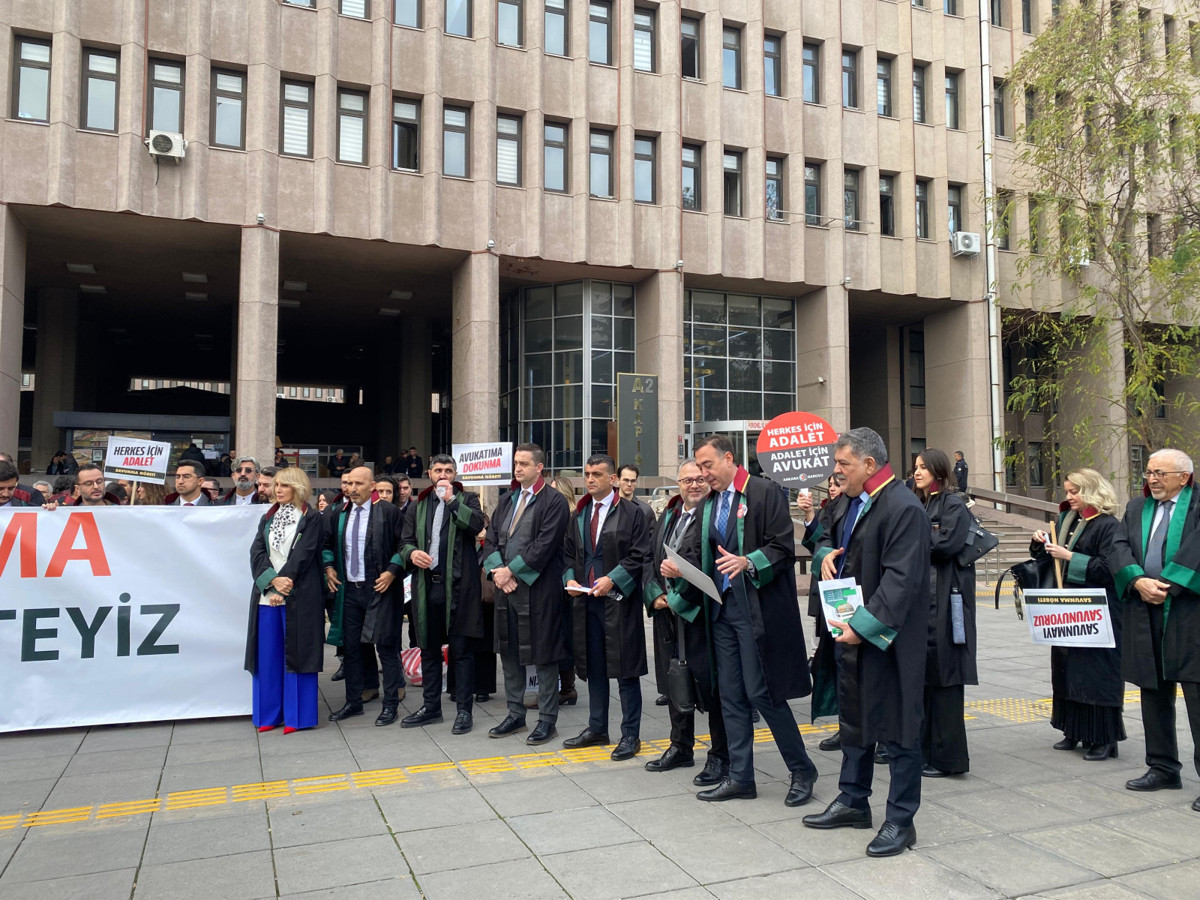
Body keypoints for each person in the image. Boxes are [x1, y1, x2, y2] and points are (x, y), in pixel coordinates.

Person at [802, 427, 929, 857]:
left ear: (869, 464)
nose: (836, 471)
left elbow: (900, 580)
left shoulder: (903, 507)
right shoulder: (849, 502)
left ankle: (901, 819)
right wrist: (824, 556)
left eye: (843, 464)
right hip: (849, 631)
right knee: (854, 718)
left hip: (889, 639)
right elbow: (823, 537)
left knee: (899, 727)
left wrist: (865, 626)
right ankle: (853, 800)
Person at [675, 434, 817, 806]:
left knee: (762, 693)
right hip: (721, 611)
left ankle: (802, 769)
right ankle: (741, 777)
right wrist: (678, 568)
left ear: (729, 458)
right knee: (730, 694)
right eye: (698, 467)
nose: (703, 474)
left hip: (756, 611)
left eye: (707, 465)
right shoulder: (709, 503)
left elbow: (782, 547)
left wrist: (748, 561)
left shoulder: (763, 492)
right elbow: (699, 550)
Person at [1110, 448, 1200, 810]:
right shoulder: (1137, 508)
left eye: (1160, 473)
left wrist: (1167, 584)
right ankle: (1162, 768)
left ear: (1184, 477)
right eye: (1149, 472)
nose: (1152, 479)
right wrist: (1137, 580)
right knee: (1153, 691)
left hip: (1188, 613)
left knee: (1197, 696)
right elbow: (1118, 547)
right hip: (1145, 610)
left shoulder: (1197, 506)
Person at [643, 459, 730, 784]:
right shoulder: (670, 515)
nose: (693, 485)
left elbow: (713, 568)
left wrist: (679, 599)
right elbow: (650, 559)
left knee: (711, 687)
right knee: (674, 680)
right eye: (686, 480)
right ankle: (680, 746)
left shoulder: (714, 517)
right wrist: (655, 595)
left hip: (702, 616)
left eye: (699, 479)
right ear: (678, 484)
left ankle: (720, 755)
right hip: (668, 616)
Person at [1031, 467, 1125, 760]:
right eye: (1067, 491)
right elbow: (1047, 559)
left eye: (1075, 491)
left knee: (1097, 671)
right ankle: (1072, 729)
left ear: (1092, 491)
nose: (1069, 496)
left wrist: (1070, 556)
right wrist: (1040, 542)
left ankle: (1103, 738)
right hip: (1069, 605)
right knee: (1065, 668)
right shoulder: (1065, 519)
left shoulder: (1108, 525)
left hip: (1098, 609)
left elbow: (1110, 568)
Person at [562, 454, 652, 760]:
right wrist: (569, 578)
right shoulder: (579, 513)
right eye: (587, 473)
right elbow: (568, 553)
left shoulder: (632, 513)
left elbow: (640, 554)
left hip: (619, 603)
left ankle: (630, 735)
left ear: (612, 479)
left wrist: (613, 579)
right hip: (586, 602)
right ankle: (597, 728)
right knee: (594, 667)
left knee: (626, 670)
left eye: (597, 474)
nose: (590, 479)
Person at [481, 443, 570, 745]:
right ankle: (515, 714)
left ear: (539, 467)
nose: (517, 468)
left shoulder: (554, 502)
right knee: (509, 653)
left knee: (544, 655)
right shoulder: (507, 499)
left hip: (540, 591)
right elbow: (491, 539)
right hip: (507, 592)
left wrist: (512, 571)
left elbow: (545, 545)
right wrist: (497, 572)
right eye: (516, 463)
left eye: (524, 464)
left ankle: (547, 720)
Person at [398, 455, 486, 734]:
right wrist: (412, 553)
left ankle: (464, 711)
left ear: (455, 474)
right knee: (429, 649)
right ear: (429, 473)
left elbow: (476, 525)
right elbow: (404, 542)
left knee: (461, 651)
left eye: (448, 470)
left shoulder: (467, 499)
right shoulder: (419, 504)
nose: (443, 475)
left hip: (459, 588)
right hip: (427, 586)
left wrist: (451, 501)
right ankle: (431, 707)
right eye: (438, 470)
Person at [911, 448, 977, 777]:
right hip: (924, 603)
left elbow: (945, 545)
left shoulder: (953, 503)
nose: (917, 472)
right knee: (925, 680)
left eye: (924, 467)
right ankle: (924, 751)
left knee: (946, 679)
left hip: (948, 601)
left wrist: (919, 537)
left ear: (938, 471)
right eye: (915, 467)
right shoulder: (920, 502)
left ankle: (948, 758)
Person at [323, 466, 406, 725]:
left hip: (380, 589)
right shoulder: (338, 513)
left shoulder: (389, 512)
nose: (352, 488)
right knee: (352, 649)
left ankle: (390, 704)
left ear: (372, 486)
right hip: (349, 590)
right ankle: (353, 702)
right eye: (349, 483)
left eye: (358, 484)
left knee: (387, 648)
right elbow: (326, 543)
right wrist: (328, 567)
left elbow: (404, 545)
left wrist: (392, 571)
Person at [246, 468, 325, 734]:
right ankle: (268, 715)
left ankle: (297, 717)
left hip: (299, 595)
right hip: (267, 596)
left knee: (299, 654)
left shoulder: (311, 518)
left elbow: (304, 554)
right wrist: (272, 581)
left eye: (284, 485)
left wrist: (284, 585)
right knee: (267, 656)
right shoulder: (267, 517)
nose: (277, 490)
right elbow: (257, 552)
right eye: (276, 485)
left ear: (298, 488)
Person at [799, 474, 847, 752]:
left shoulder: (857, 507)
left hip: (847, 594)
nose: (832, 487)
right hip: (830, 595)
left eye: (837, 482)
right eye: (830, 483)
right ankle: (846, 725)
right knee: (833, 662)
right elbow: (817, 543)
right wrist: (809, 515)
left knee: (849, 664)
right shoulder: (830, 509)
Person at [550, 475, 579, 706]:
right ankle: (565, 687)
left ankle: (567, 687)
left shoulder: (571, 518)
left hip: (565, 583)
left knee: (563, 636)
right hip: (556, 581)